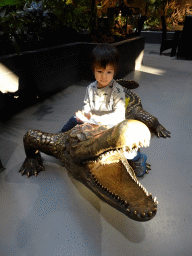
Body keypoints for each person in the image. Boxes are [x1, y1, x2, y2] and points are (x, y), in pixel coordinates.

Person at [60, 43, 148, 177]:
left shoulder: (117, 90)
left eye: (109, 72)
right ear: (93, 69)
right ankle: (60, 137)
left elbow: (117, 117)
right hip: (93, 121)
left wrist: (92, 119)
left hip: (112, 126)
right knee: (73, 120)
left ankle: (138, 158)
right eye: (99, 71)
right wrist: (86, 113)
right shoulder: (90, 87)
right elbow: (87, 104)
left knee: (123, 150)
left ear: (115, 71)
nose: (104, 76)